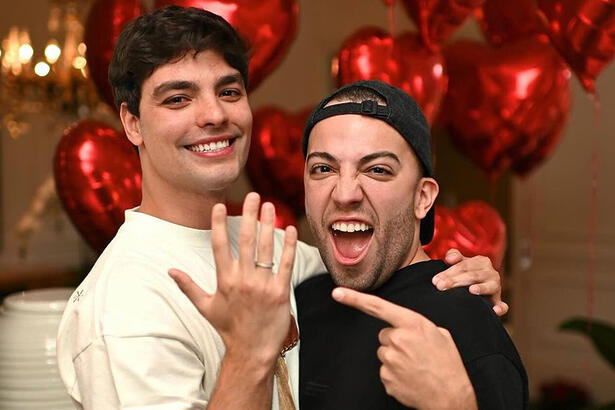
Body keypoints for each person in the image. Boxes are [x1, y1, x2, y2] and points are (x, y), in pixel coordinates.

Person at [56, 6, 507, 410]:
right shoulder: (126, 309)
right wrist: (251, 352)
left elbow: (371, 262)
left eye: (229, 91)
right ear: (132, 123)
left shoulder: (272, 250)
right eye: (178, 98)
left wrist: (456, 281)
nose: (214, 114)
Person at [294, 80, 528, 409]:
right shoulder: (298, 301)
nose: (345, 192)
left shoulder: (464, 324)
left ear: (422, 198)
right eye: (323, 168)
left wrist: (452, 403)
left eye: (377, 170)